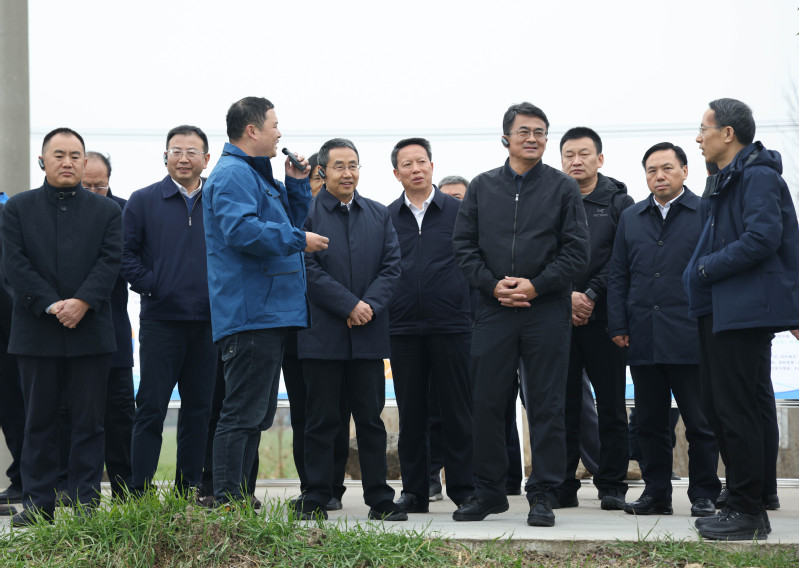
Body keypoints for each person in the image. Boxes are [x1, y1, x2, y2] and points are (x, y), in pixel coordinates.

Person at [452, 102, 589, 527]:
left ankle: (543, 493)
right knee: (487, 403)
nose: (533, 138)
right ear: (505, 138)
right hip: (493, 309)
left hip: (545, 310)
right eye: (524, 131)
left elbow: (576, 251)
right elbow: (463, 247)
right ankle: (489, 492)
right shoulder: (481, 187)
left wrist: (537, 285)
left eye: (540, 132)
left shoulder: (563, 188)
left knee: (547, 404)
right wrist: (493, 285)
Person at [203, 96, 328, 506]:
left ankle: (238, 497)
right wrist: (299, 241)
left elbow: (286, 222)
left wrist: (296, 184)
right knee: (242, 413)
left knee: (254, 415)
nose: (279, 133)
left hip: (268, 312)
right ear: (252, 130)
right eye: (274, 125)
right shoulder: (234, 175)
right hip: (251, 312)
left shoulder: (256, 175)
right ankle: (228, 501)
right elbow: (242, 232)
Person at [687, 98, 799, 540]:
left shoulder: (757, 176)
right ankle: (742, 502)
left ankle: (747, 511)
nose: (699, 137)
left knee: (737, 410)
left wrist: (705, 268)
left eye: (704, 128)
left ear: (728, 133)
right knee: (721, 408)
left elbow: (763, 237)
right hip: (720, 308)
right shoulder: (727, 179)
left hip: (742, 310)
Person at [3, 128, 122, 526]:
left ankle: (87, 503)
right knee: (38, 422)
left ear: (85, 162)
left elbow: (110, 262)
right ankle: (38, 504)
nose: (67, 162)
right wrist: (53, 304)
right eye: (58, 155)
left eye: (75, 155)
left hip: (91, 331)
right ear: (42, 161)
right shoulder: (17, 209)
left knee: (90, 422)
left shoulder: (107, 211)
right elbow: (15, 265)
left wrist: (83, 301)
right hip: (36, 332)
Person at [607, 142, 720, 519]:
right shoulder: (632, 217)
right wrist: (618, 324)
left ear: (685, 171)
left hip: (692, 334)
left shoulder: (706, 211)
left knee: (700, 423)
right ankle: (656, 493)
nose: (659, 176)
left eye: (667, 168)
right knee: (650, 424)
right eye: (652, 170)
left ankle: (704, 493)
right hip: (644, 334)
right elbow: (619, 274)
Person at [294, 138, 405, 521]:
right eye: (339, 166)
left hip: (368, 334)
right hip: (322, 335)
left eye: (353, 165)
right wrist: (348, 305)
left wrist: (367, 306)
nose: (347, 173)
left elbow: (392, 267)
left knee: (371, 421)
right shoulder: (306, 214)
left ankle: (380, 498)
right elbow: (305, 269)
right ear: (322, 171)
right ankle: (316, 496)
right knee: (322, 420)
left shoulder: (378, 214)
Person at [122, 125, 217, 496]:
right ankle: (139, 493)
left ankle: (187, 491)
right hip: (161, 321)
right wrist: (154, 285)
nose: (183, 158)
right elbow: (125, 254)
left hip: (209, 323)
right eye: (176, 151)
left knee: (199, 410)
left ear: (206, 159)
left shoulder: (218, 200)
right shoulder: (143, 200)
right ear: (165, 157)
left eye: (192, 152)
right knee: (151, 407)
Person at [387, 138, 474, 514]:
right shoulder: (386, 216)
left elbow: (477, 261)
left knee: (458, 411)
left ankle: (465, 490)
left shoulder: (460, 212)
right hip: (403, 327)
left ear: (432, 166)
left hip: (452, 324)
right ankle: (415, 490)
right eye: (407, 164)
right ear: (396, 173)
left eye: (421, 161)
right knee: (412, 414)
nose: (415, 169)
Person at [554, 127, 633, 510]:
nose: (576, 161)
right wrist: (568, 294)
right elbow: (543, 254)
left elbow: (622, 257)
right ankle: (562, 484)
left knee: (612, 405)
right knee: (563, 406)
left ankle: (612, 483)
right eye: (569, 155)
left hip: (605, 319)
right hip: (559, 316)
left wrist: (590, 294)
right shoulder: (550, 200)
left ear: (599, 159)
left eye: (584, 154)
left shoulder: (619, 202)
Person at [81, 152, 135, 499]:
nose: (92, 192)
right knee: (76, 414)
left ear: (109, 181)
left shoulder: (124, 210)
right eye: (86, 185)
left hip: (113, 326)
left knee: (120, 412)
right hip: (69, 328)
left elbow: (126, 262)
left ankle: (125, 488)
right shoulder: (62, 212)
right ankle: (76, 490)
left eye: (99, 186)